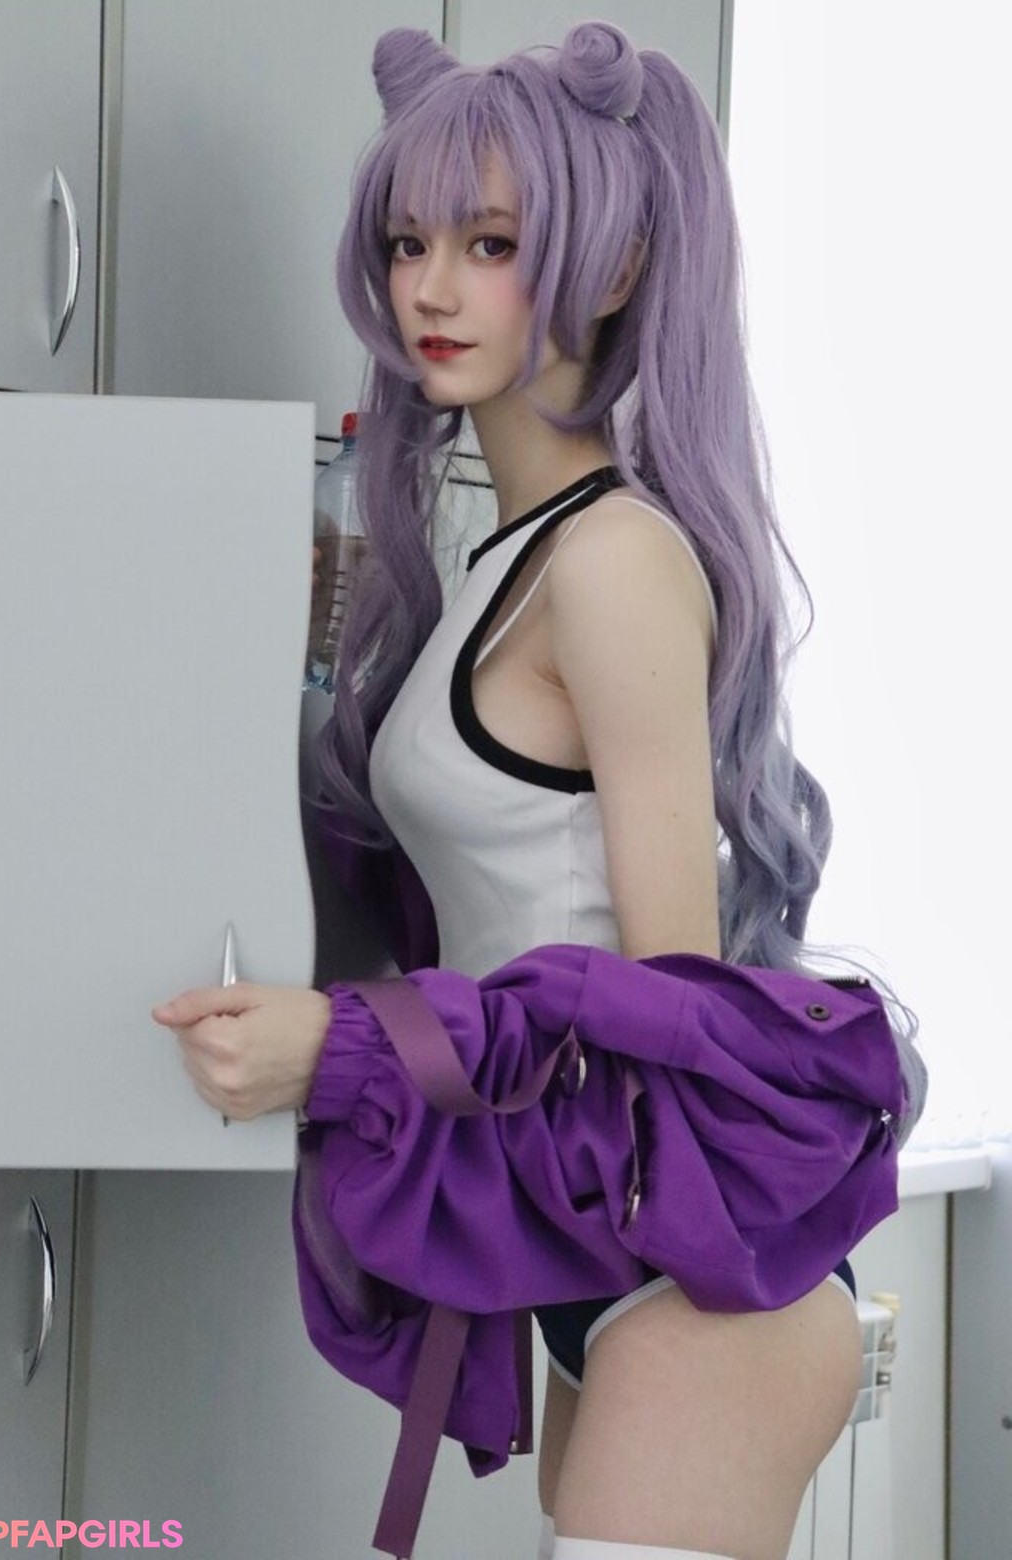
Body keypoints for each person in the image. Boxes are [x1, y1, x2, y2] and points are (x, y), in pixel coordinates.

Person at [153, 22, 925, 1560]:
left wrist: (348, 1048)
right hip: (604, 1257)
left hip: (694, 1281)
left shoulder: (613, 563)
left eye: (491, 244)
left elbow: (671, 1013)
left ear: (615, 266)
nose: (432, 289)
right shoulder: (503, 565)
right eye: (410, 242)